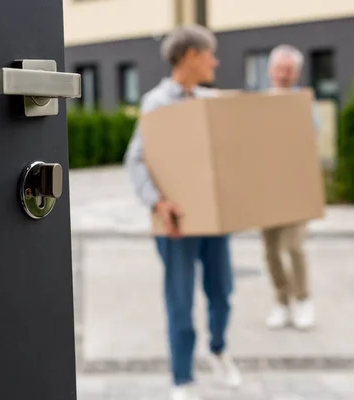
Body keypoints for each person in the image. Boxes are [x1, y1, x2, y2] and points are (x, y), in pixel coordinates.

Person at [124, 25, 241, 400]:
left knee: (222, 291)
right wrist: (159, 203)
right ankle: (182, 378)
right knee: (180, 299)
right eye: (211, 55)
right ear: (191, 55)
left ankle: (219, 350)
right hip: (176, 221)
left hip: (213, 218)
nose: (215, 62)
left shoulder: (210, 100)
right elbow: (137, 160)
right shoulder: (157, 103)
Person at [261, 45, 320, 331]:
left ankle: (303, 299)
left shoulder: (304, 103)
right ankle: (282, 302)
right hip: (267, 187)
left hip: (296, 186)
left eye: (289, 70)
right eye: (280, 69)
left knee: (294, 246)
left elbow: (312, 139)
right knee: (270, 250)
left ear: (296, 73)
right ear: (270, 71)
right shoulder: (258, 103)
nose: (284, 74)